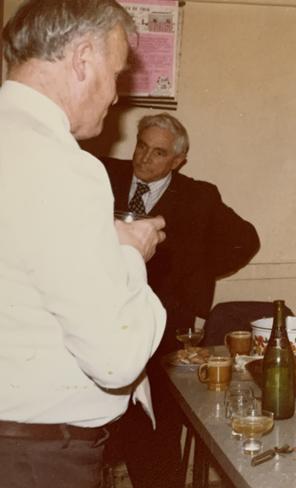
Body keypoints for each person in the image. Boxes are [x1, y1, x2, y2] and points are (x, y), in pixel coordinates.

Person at [0, 1, 167, 487]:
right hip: (36, 457)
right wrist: (130, 253)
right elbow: (117, 360)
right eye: (116, 74)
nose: (116, 96)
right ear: (83, 58)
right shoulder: (65, 165)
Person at [100, 112, 260, 488]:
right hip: (106, 318)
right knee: (105, 424)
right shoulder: (104, 175)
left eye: (158, 153)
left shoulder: (198, 196)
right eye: (141, 146)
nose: (144, 158)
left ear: (177, 161)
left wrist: (195, 275)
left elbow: (246, 240)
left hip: (167, 326)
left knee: (157, 429)